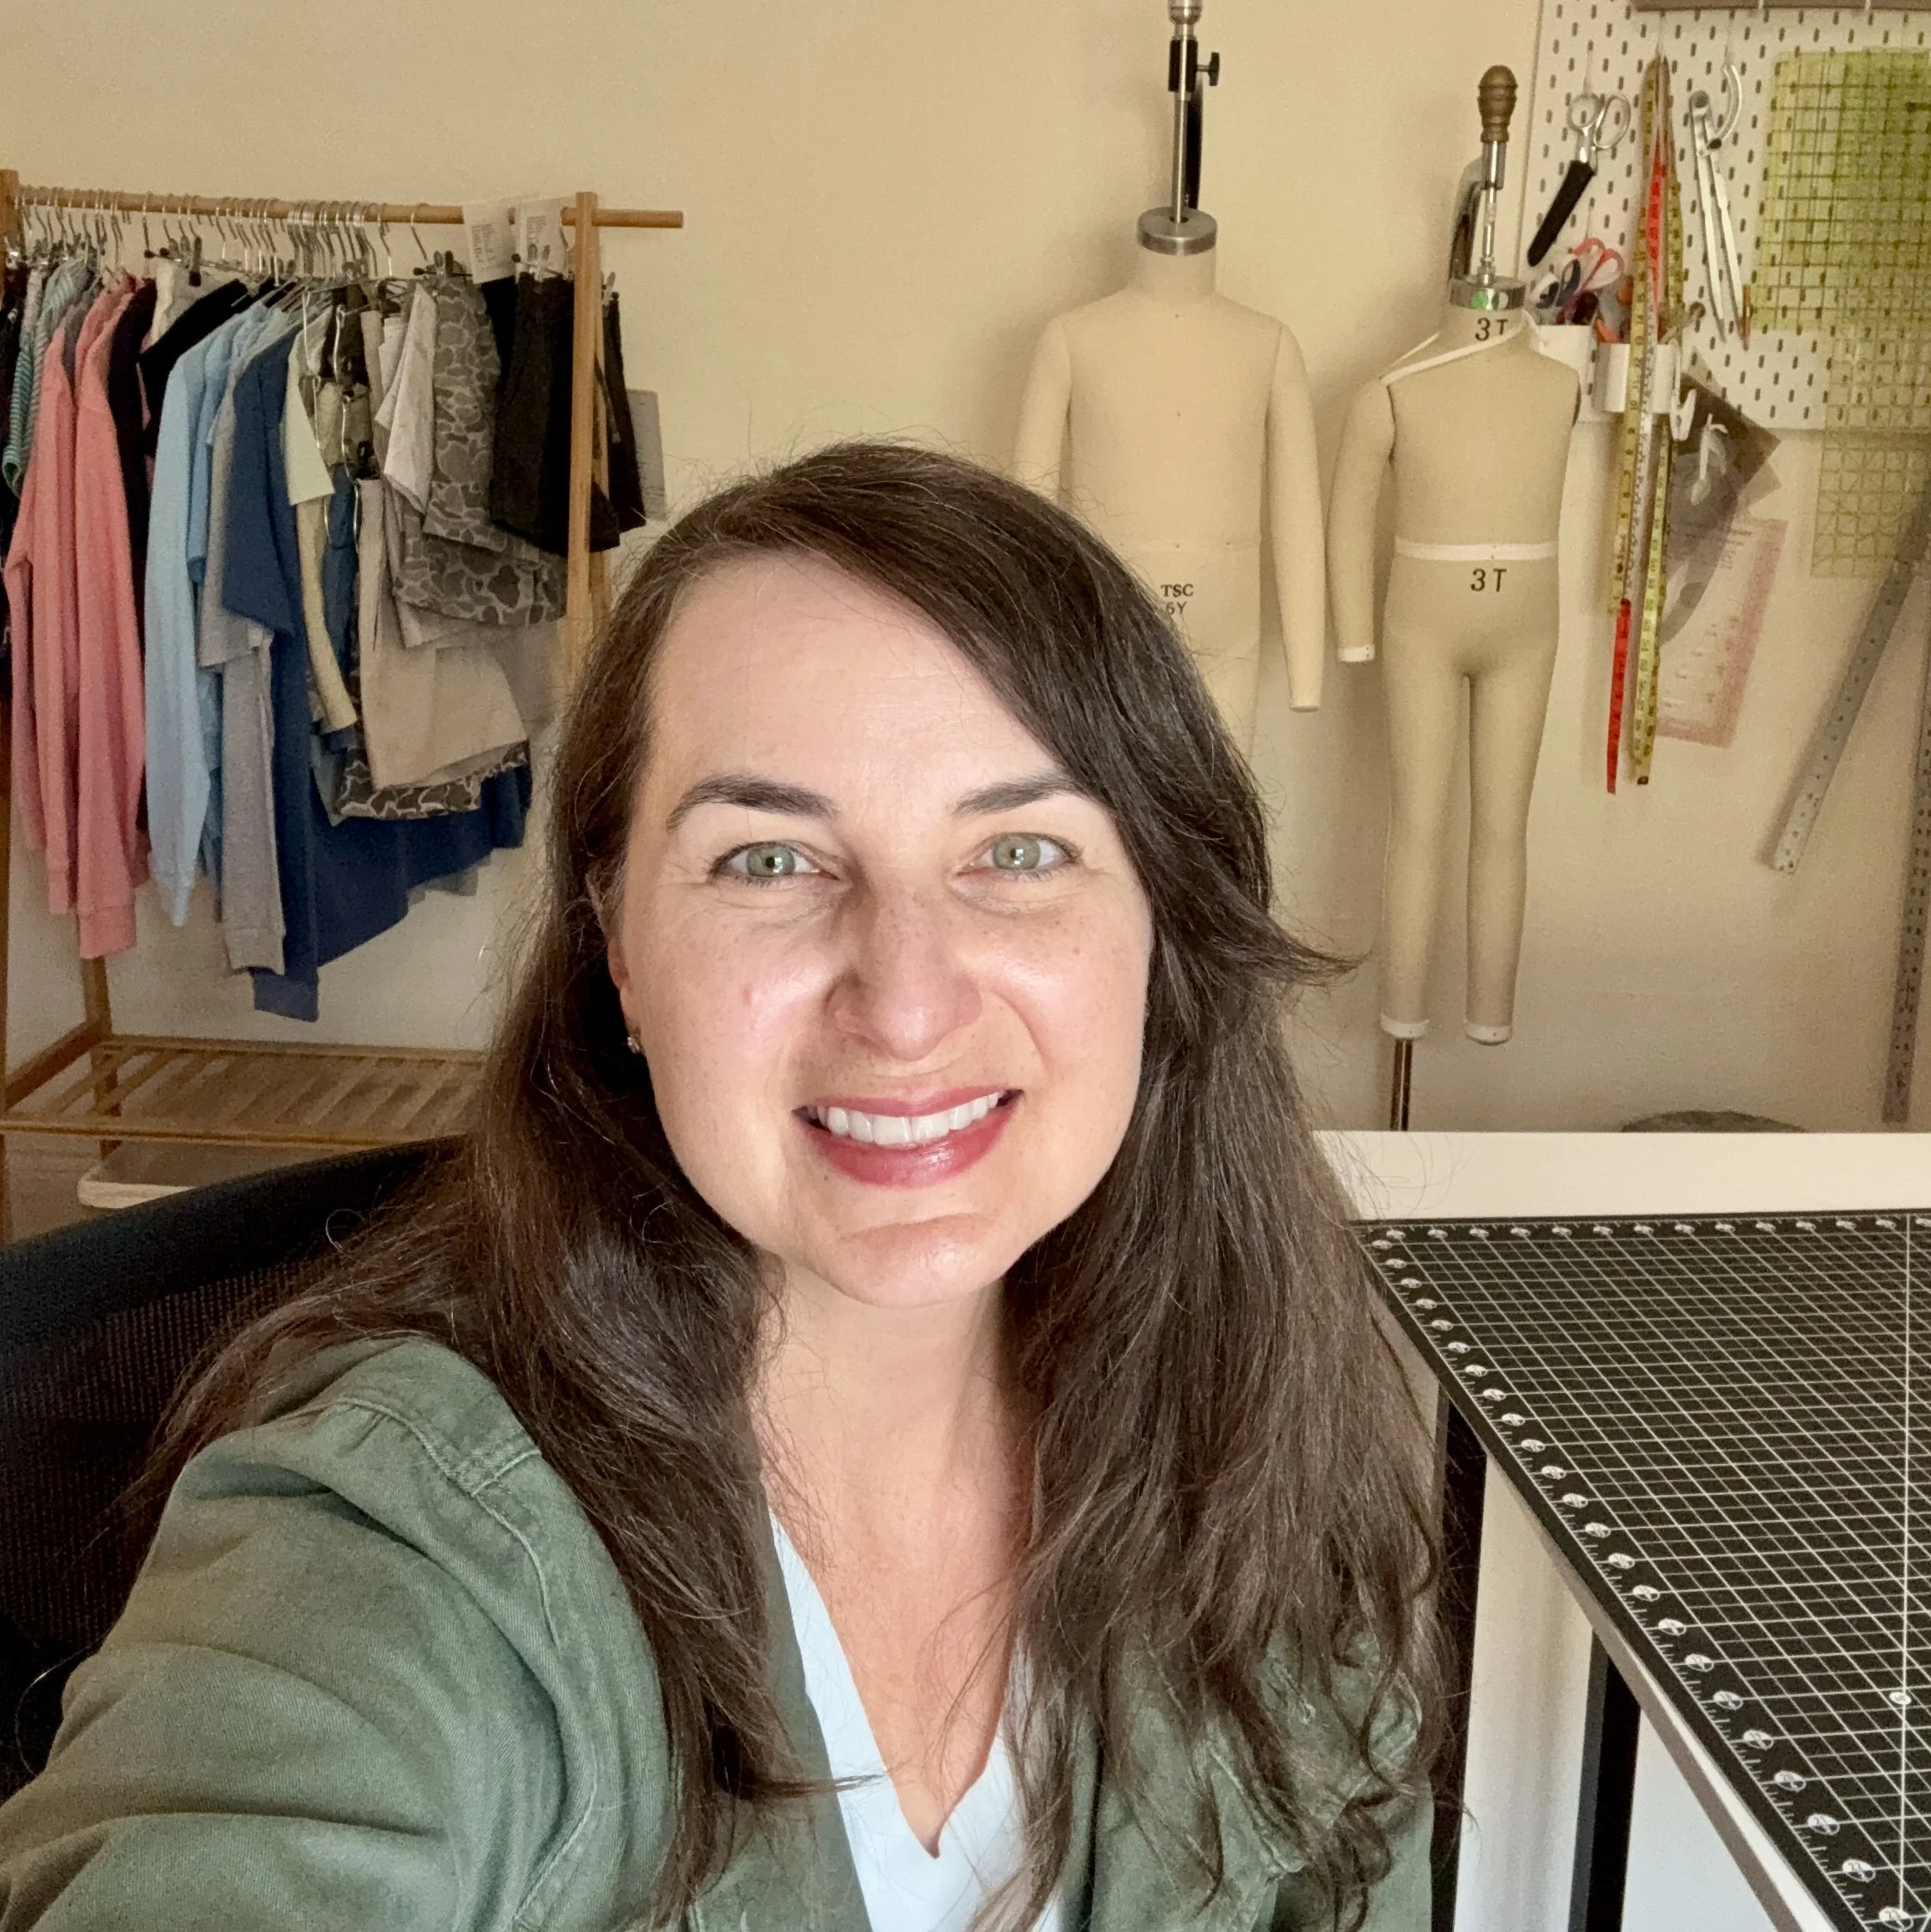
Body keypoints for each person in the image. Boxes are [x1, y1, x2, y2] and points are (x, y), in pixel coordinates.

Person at [0, 442, 1440, 1932]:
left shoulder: (1259, 1446)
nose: (903, 999)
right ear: (618, 948)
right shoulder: (390, 1550)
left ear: (1162, 924)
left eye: (1017, 849)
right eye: (768, 862)